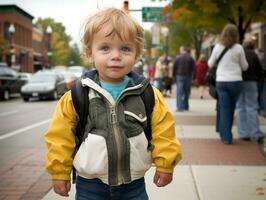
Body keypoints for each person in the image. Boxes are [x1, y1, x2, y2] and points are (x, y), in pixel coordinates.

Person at [44, 8, 182, 199]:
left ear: (136, 53)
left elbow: (164, 131)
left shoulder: (147, 94)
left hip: (134, 187)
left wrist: (166, 163)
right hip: (89, 187)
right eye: (105, 48)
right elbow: (60, 137)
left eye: (125, 48)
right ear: (90, 53)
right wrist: (59, 171)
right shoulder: (77, 95)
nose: (115, 56)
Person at [208, 24, 248, 144]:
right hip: (236, 82)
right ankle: (225, 132)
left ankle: (225, 136)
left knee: (225, 108)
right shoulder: (239, 48)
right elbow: (245, 66)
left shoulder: (217, 47)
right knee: (230, 108)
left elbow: (210, 63)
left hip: (221, 81)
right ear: (236, 35)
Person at [235, 39, 266, 154]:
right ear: (253, 46)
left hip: (239, 81)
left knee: (240, 107)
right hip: (251, 83)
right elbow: (259, 70)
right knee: (251, 107)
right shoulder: (253, 54)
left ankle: (243, 133)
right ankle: (254, 132)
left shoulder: (239, 52)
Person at [173, 46, 196, 111]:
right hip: (188, 76)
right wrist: (194, 77)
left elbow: (174, 68)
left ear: (182, 50)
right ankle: (186, 106)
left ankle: (179, 107)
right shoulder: (191, 58)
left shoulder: (178, 58)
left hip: (179, 76)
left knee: (179, 92)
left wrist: (174, 77)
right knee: (186, 91)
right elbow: (194, 68)